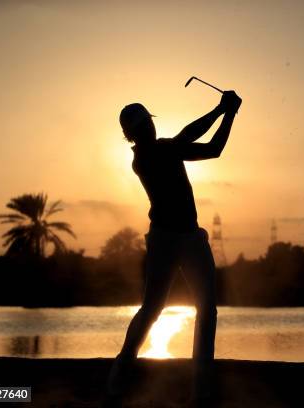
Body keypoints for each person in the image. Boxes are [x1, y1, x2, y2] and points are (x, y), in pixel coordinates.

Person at [104, 90, 242, 407]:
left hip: (191, 237)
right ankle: (117, 381)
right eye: (141, 127)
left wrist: (229, 115)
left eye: (148, 124)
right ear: (131, 135)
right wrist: (222, 109)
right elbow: (189, 136)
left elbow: (214, 149)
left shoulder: (165, 149)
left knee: (207, 308)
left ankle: (202, 391)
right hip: (165, 240)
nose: (148, 129)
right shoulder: (147, 156)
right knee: (152, 309)